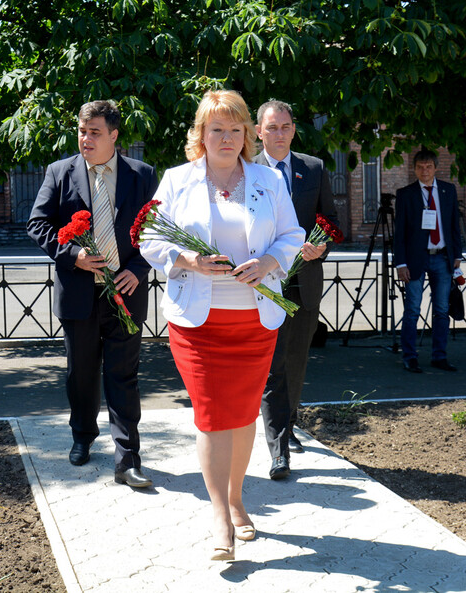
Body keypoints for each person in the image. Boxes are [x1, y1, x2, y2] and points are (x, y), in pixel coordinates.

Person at [140, 90, 304, 561]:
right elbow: (148, 237)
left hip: (255, 320)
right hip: (198, 323)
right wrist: (186, 259)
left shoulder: (268, 180)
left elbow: (292, 234)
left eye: (235, 129)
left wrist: (269, 261)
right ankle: (219, 515)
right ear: (201, 134)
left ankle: (236, 500)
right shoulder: (177, 180)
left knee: (244, 413)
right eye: (217, 129)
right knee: (212, 414)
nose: (226, 138)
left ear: (247, 134)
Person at [27, 100, 158, 488]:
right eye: (82, 132)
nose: (86, 139)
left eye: (95, 132)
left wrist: (139, 268)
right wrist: (74, 255)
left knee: (123, 376)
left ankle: (127, 458)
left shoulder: (142, 175)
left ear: (114, 135)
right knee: (81, 374)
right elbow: (38, 224)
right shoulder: (59, 172)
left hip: (125, 294)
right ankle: (83, 436)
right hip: (79, 294)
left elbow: (157, 229)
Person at [253, 99, 341, 481]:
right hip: (264, 284)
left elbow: (330, 220)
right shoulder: (247, 170)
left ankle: (286, 426)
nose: (279, 134)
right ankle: (279, 451)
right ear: (259, 131)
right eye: (272, 127)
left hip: (305, 281)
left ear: (294, 129)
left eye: (285, 126)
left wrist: (322, 246)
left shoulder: (313, 168)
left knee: (295, 362)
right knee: (272, 366)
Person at [394, 149, 463, 373]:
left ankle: (439, 356)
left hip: (442, 257)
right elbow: (399, 232)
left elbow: (454, 225)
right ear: (414, 169)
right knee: (413, 309)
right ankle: (410, 357)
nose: (425, 171)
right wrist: (400, 263)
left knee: (442, 310)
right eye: (420, 167)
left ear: (435, 168)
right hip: (416, 259)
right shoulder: (406, 194)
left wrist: (457, 255)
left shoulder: (447, 190)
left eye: (429, 167)